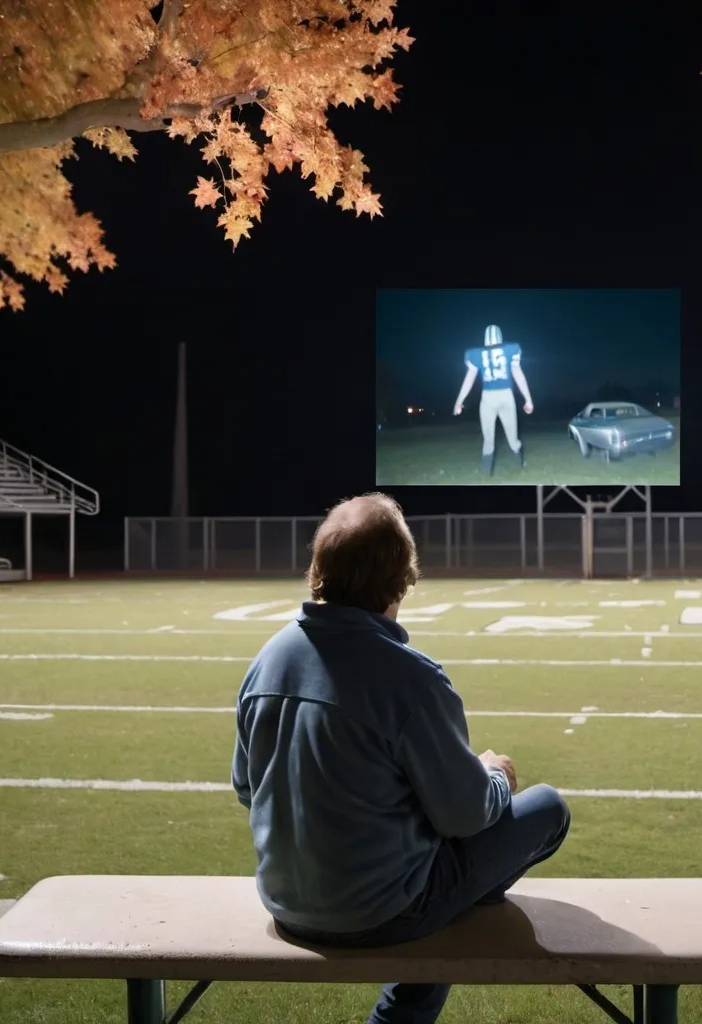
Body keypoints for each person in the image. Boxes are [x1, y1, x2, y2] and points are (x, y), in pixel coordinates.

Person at [231, 492, 571, 1024]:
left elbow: (249, 789)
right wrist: (495, 774)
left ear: (317, 570)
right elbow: (464, 816)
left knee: (434, 861)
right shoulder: (411, 677)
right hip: (380, 913)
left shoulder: (266, 661)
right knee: (548, 809)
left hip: (283, 904)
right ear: (401, 579)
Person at [453, 324, 534, 476]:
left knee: (489, 439)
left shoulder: (475, 354)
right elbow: (518, 374)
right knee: (511, 440)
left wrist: (459, 401)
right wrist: (528, 399)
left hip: (488, 398)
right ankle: (514, 465)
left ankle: (489, 474)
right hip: (505, 396)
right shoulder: (511, 349)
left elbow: (469, 378)